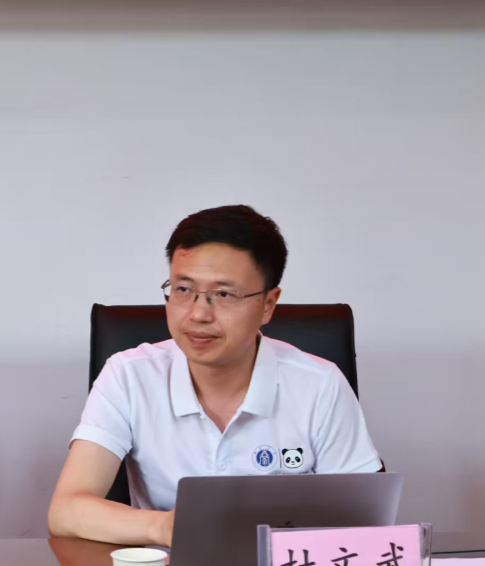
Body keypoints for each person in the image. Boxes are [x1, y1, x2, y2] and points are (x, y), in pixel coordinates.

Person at [48, 206, 382, 547]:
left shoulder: (320, 384)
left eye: (224, 294)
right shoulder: (129, 376)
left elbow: (364, 522)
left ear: (268, 304)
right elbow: (66, 511)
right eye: (183, 289)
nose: (198, 314)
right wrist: (165, 527)